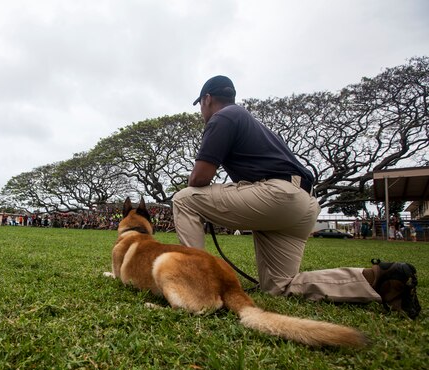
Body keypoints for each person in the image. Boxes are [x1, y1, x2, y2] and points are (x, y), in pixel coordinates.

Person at [172, 75, 420, 318]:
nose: (201, 111)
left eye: (200, 106)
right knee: (279, 286)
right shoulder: (251, 122)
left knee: (184, 198)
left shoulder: (222, 117)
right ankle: (377, 279)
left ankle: (196, 284)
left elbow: (199, 180)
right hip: (303, 203)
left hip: (277, 196)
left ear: (206, 99)